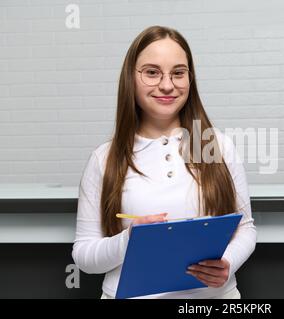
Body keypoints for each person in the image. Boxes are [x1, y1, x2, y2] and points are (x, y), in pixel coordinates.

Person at [71, 25, 257, 299]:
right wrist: (129, 241)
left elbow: (245, 228)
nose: (168, 84)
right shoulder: (105, 159)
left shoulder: (218, 145)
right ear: (130, 79)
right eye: (152, 72)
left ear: (189, 79)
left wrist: (227, 264)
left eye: (178, 73)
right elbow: (84, 255)